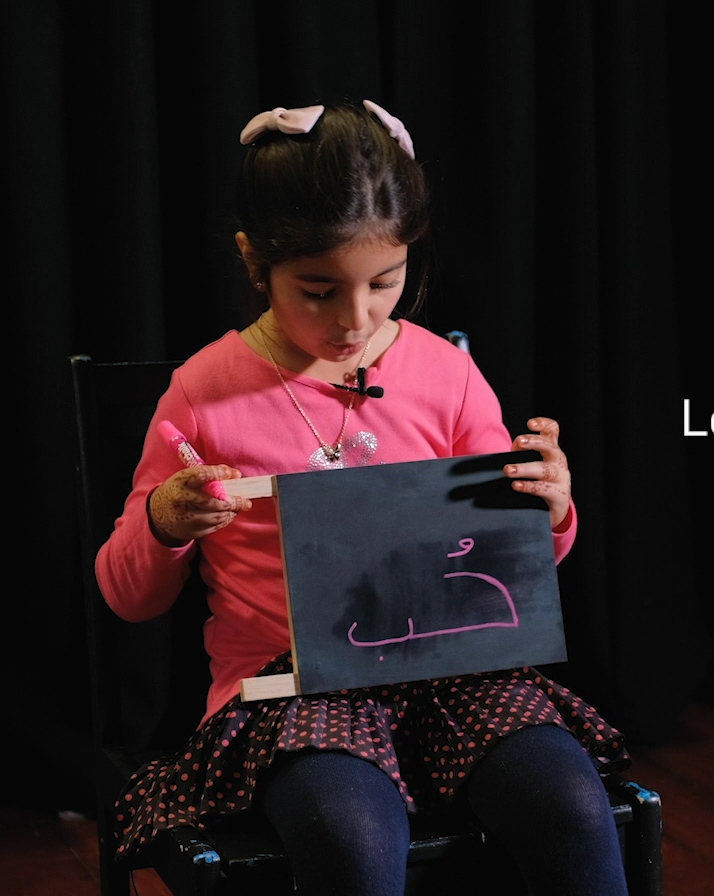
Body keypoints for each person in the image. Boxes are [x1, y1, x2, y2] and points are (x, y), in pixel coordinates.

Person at [96, 100, 630, 895]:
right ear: (254, 261)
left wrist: (547, 509)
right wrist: (165, 521)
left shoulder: (444, 374)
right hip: (290, 687)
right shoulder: (204, 393)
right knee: (348, 833)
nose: (356, 319)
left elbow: (514, 568)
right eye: (318, 291)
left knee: (570, 807)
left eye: (385, 282)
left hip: (451, 669)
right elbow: (127, 595)